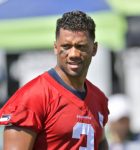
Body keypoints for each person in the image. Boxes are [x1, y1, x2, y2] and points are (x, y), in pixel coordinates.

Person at [0, 10, 109, 150]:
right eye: (66, 46)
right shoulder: (33, 97)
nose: (73, 54)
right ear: (56, 48)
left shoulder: (98, 99)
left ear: (94, 49)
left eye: (81, 46)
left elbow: (100, 143)